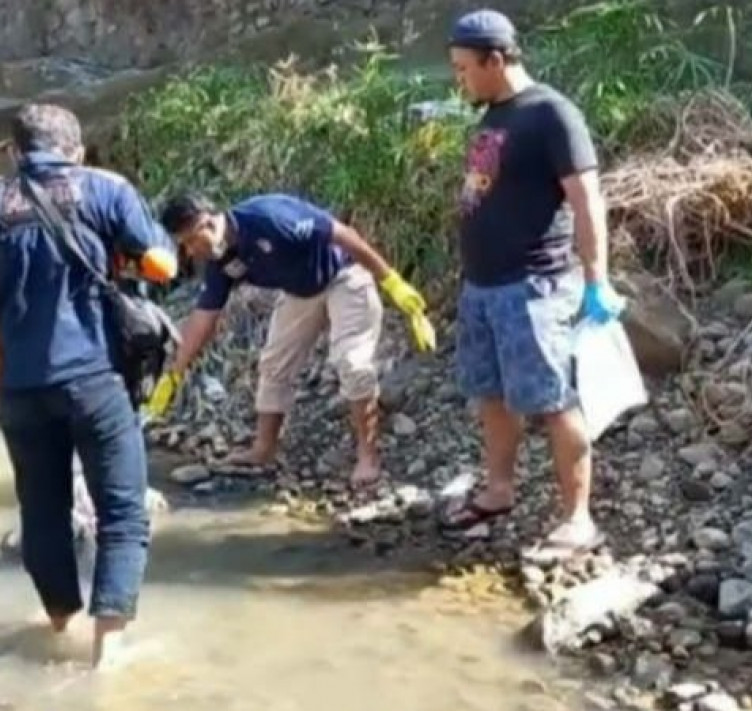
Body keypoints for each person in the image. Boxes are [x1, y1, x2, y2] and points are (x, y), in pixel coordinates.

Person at [0, 103, 178, 668]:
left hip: (19, 388)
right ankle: (108, 653)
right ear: (77, 150)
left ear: (16, 153)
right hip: (95, 379)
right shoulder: (105, 188)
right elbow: (163, 265)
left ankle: (59, 625)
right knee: (121, 512)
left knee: (42, 513)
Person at [440, 9, 626, 556]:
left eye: (463, 68)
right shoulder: (492, 116)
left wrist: (597, 279)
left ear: (496, 59)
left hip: (534, 287)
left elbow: (587, 199)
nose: (459, 79)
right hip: (481, 287)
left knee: (553, 399)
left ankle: (579, 518)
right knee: (490, 395)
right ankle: (499, 491)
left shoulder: (551, 113)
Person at [146, 192, 435, 488]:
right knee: (273, 364)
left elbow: (343, 234)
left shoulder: (269, 219)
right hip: (299, 292)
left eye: (191, 241)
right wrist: (175, 374)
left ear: (207, 223)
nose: (190, 252)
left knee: (353, 363)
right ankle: (263, 450)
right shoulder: (220, 261)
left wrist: (393, 283)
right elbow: (205, 317)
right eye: (184, 246)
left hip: (344, 276)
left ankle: (368, 456)